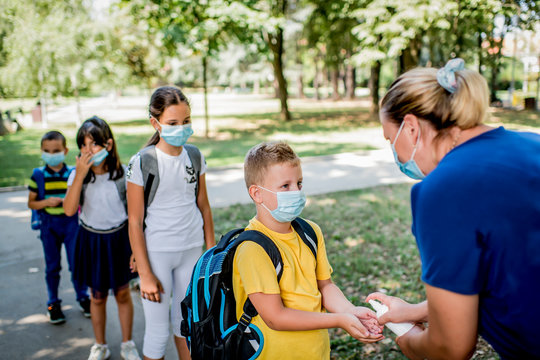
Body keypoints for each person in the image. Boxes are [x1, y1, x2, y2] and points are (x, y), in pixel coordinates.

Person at [367, 58, 540, 359]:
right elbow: (508, 272)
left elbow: (450, 347)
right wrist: (417, 311)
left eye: (390, 140)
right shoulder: (532, 144)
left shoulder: (442, 190)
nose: (395, 153)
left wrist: (410, 340)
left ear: (409, 127)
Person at [233, 141, 384, 359]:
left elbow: (325, 286)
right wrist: (339, 320)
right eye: (285, 186)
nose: (296, 191)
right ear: (257, 194)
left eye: (299, 183)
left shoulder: (310, 232)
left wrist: (349, 311)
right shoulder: (252, 248)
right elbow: (275, 317)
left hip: (316, 352)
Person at [126, 86, 215, 360]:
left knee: (186, 326)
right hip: (157, 255)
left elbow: (203, 205)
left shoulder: (195, 156)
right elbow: (135, 219)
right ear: (156, 123)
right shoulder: (142, 162)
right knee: (156, 332)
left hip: (191, 251)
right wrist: (145, 273)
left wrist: (211, 251)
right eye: (173, 123)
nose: (182, 128)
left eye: (186, 121)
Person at [63, 117, 140, 360]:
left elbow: (134, 215)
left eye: (93, 144)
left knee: (122, 294)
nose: (88, 151)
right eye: (83, 145)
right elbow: (68, 209)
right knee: (96, 297)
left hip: (119, 240)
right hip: (92, 240)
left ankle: (128, 343)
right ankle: (100, 345)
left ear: (107, 144)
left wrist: (135, 250)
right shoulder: (78, 176)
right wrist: (79, 175)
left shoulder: (122, 175)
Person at [27, 130, 90, 324]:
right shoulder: (38, 175)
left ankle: (83, 297)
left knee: (76, 263)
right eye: (47, 150)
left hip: (71, 224)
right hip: (49, 226)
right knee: (52, 266)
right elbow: (31, 203)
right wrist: (46, 202)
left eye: (56, 150)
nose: (51, 154)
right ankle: (53, 303)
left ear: (65, 150)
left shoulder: (72, 173)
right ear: (41, 151)